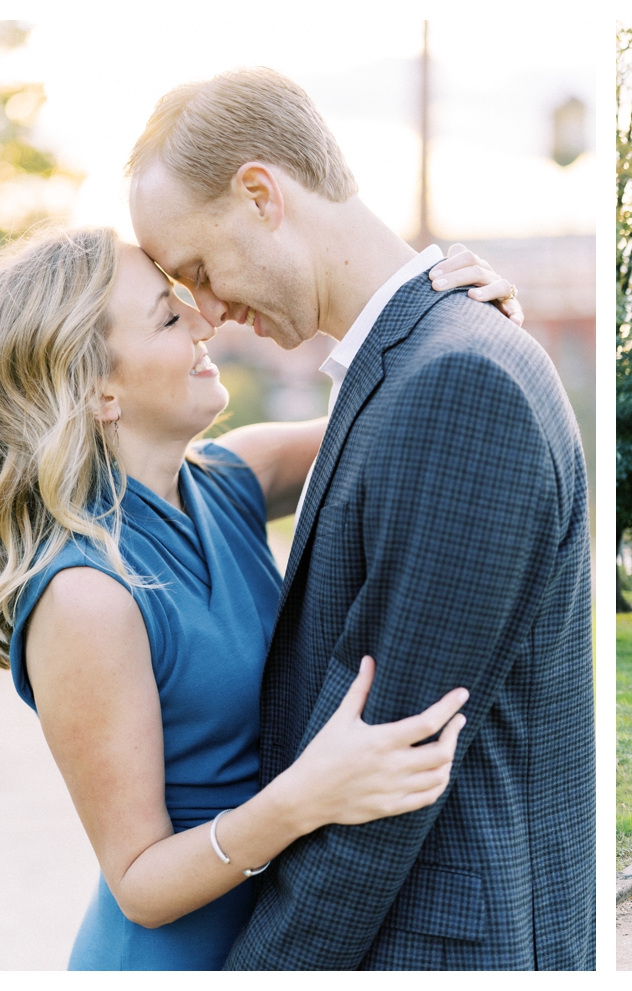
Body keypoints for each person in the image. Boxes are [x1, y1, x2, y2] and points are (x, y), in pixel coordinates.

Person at [0, 223, 523, 970]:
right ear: (97, 388)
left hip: (274, 941)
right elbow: (138, 881)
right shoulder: (85, 595)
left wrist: (464, 312)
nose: (205, 320)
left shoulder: (229, 477)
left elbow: (414, 401)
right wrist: (307, 796)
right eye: (171, 317)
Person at [127, 67, 595, 970]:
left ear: (261, 194)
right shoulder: (423, 362)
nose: (212, 312)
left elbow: (385, 775)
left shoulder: (457, 380)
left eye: (199, 271)